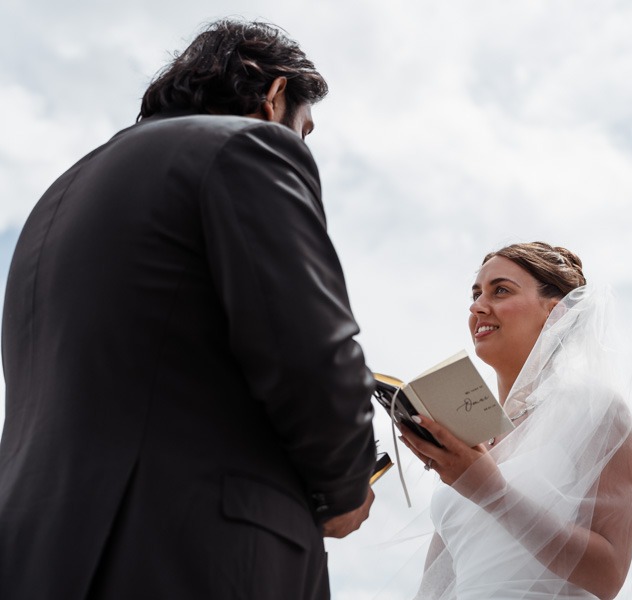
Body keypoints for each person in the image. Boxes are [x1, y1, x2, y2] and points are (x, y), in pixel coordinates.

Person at [0, 19, 376, 600]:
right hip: (195, 551)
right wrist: (347, 487)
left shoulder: (54, 204)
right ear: (275, 95)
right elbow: (310, 354)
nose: (300, 142)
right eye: (306, 128)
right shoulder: (248, 147)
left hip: (38, 554)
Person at [399, 242, 632, 599]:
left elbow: (608, 575)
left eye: (500, 290)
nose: (477, 306)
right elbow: (435, 587)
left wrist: (491, 492)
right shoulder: (473, 441)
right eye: (476, 293)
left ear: (556, 312)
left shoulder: (598, 412)